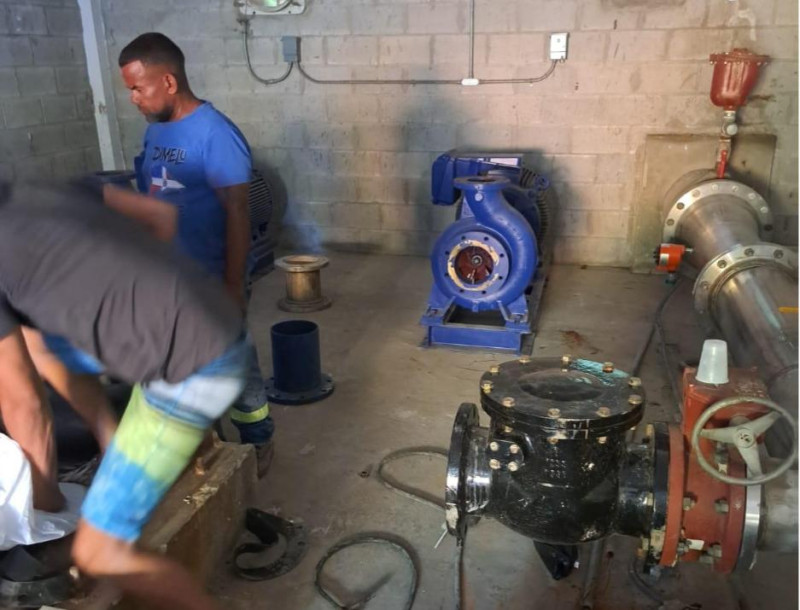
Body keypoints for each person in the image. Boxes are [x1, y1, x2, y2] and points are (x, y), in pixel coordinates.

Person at [0, 180, 246, 610]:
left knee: (99, 554)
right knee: (42, 345)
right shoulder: (39, 190)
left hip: (192, 369)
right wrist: (156, 299)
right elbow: (162, 216)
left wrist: (48, 513)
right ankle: (113, 438)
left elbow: (25, 405)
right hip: (214, 316)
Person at [111, 32, 274, 470]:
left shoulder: (215, 134)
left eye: (137, 88)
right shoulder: (157, 129)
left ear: (168, 82)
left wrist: (232, 287)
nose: (133, 99)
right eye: (129, 90)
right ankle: (206, 442)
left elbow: (237, 212)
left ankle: (258, 437)